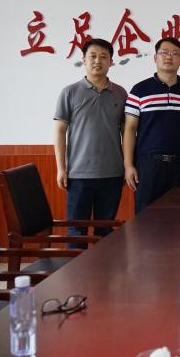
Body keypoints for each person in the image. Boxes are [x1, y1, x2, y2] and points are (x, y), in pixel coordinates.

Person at [53, 38, 127, 245]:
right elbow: (59, 131)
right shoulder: (70, 92)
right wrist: (61, 168)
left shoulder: (120, 93)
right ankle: (77, 268)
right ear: (84, 60)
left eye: (104, 57)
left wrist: (128, 165)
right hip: (79, 174)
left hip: (112, 173)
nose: (97, 61)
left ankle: (104, 267)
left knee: (105, 230)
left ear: (111, 61)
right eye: (92, 56)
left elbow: (127, 133)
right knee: (77, 231)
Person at [123, 37, 180, 213]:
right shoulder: (139, 90)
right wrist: (128, 165)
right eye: (164, 53)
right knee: (145, 218)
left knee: (179, 216)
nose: (169, 57)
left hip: (179, 164)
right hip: (148, 165)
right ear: (155, 57)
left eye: (174, 54)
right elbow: (130, 129)